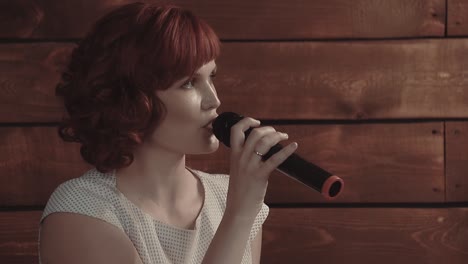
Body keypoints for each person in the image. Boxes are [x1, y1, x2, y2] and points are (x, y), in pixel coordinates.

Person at [38, 2, 299, 264]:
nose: (214, 100)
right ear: (130, 99)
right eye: (188, 83)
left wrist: (242, 210)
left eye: (212, 77)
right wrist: (240, 215)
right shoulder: (82, 210)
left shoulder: (229, 194)